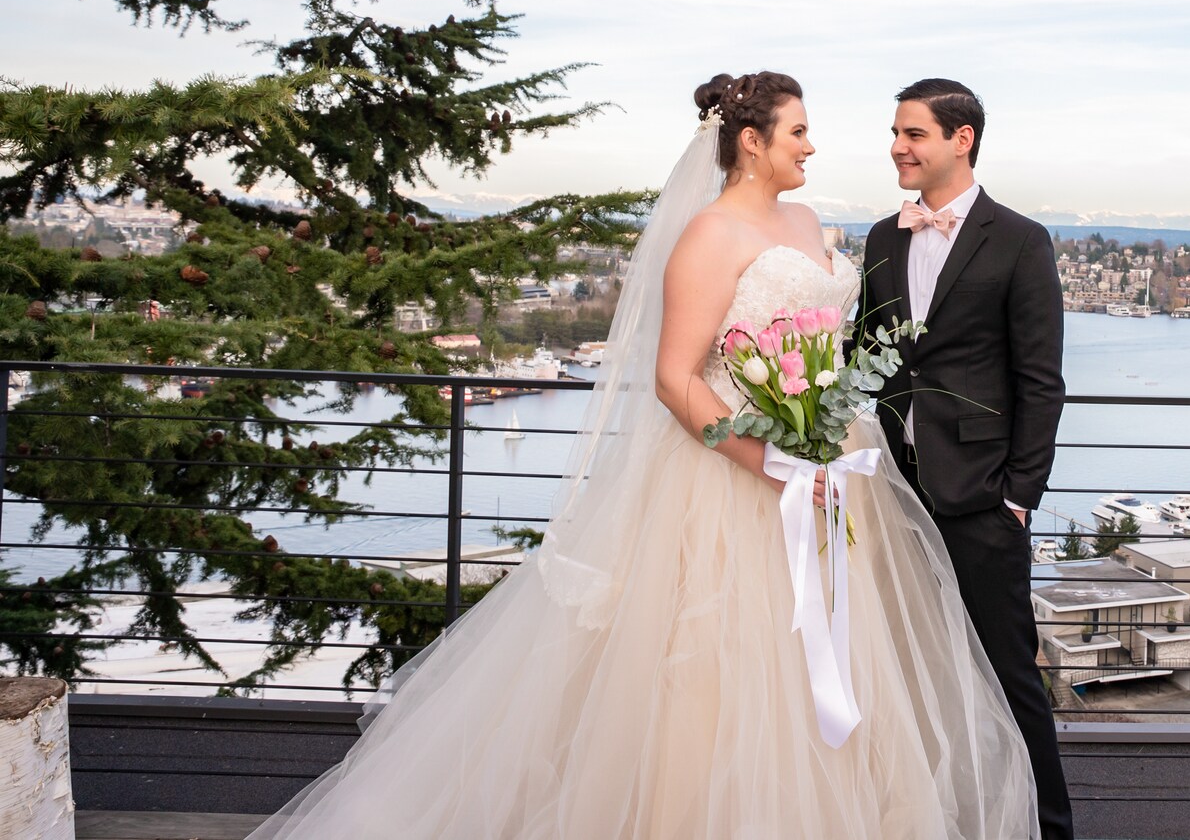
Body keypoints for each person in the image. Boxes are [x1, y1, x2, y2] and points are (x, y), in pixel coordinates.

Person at [251, 71, 1035, 840]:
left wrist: (820, 438)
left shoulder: (811, 225)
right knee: (724, 675)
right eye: (799, 131)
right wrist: (765, 458)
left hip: (832, 466)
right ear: (754, 142)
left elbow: (844, 344)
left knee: (836, 662)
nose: (813, 145)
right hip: (734, 477)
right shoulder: (707, 235)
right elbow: (673, 377)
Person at [858, 79, 1074, 840]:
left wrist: (1019, 495)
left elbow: (1041, 380)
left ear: (962, 139)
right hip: (894, 491)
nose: (897, 146)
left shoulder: (1020, 239)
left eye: (912, 133)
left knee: (1011, 680)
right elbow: (869, 358)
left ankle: (1048, 830)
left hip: (982, 499)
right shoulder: (883, 237)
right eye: (895, 131)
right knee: (913, 674)